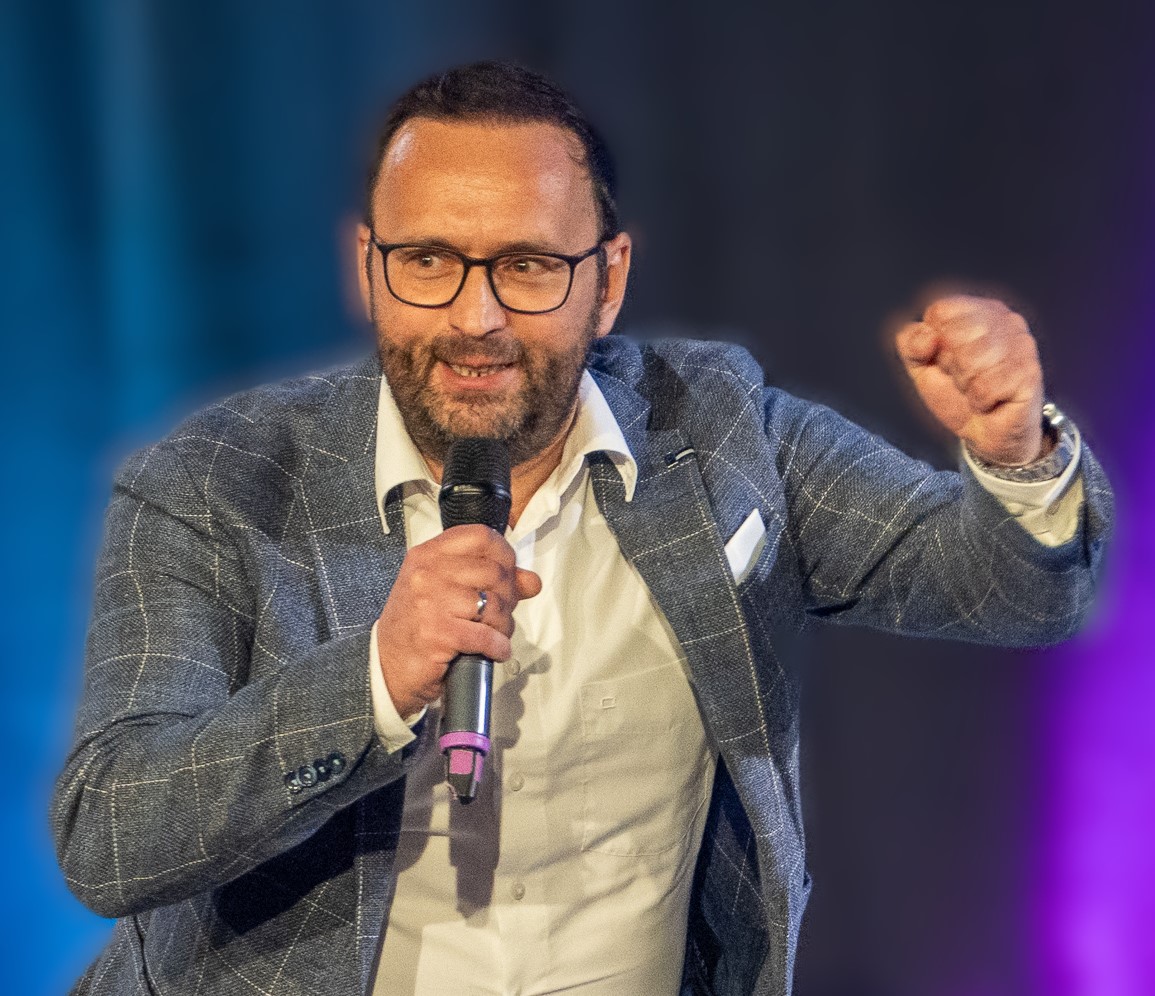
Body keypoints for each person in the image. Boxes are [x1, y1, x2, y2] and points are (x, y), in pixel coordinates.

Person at [52, 60, 1112, 996]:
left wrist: (1016, 454)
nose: (476, 317)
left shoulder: (724, 435)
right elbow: (111, 834)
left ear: (607, 280)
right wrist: (371, 682)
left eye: (526, 266)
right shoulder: (214, 486)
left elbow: (1013, 589)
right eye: (429, 261)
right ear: (369, 270)